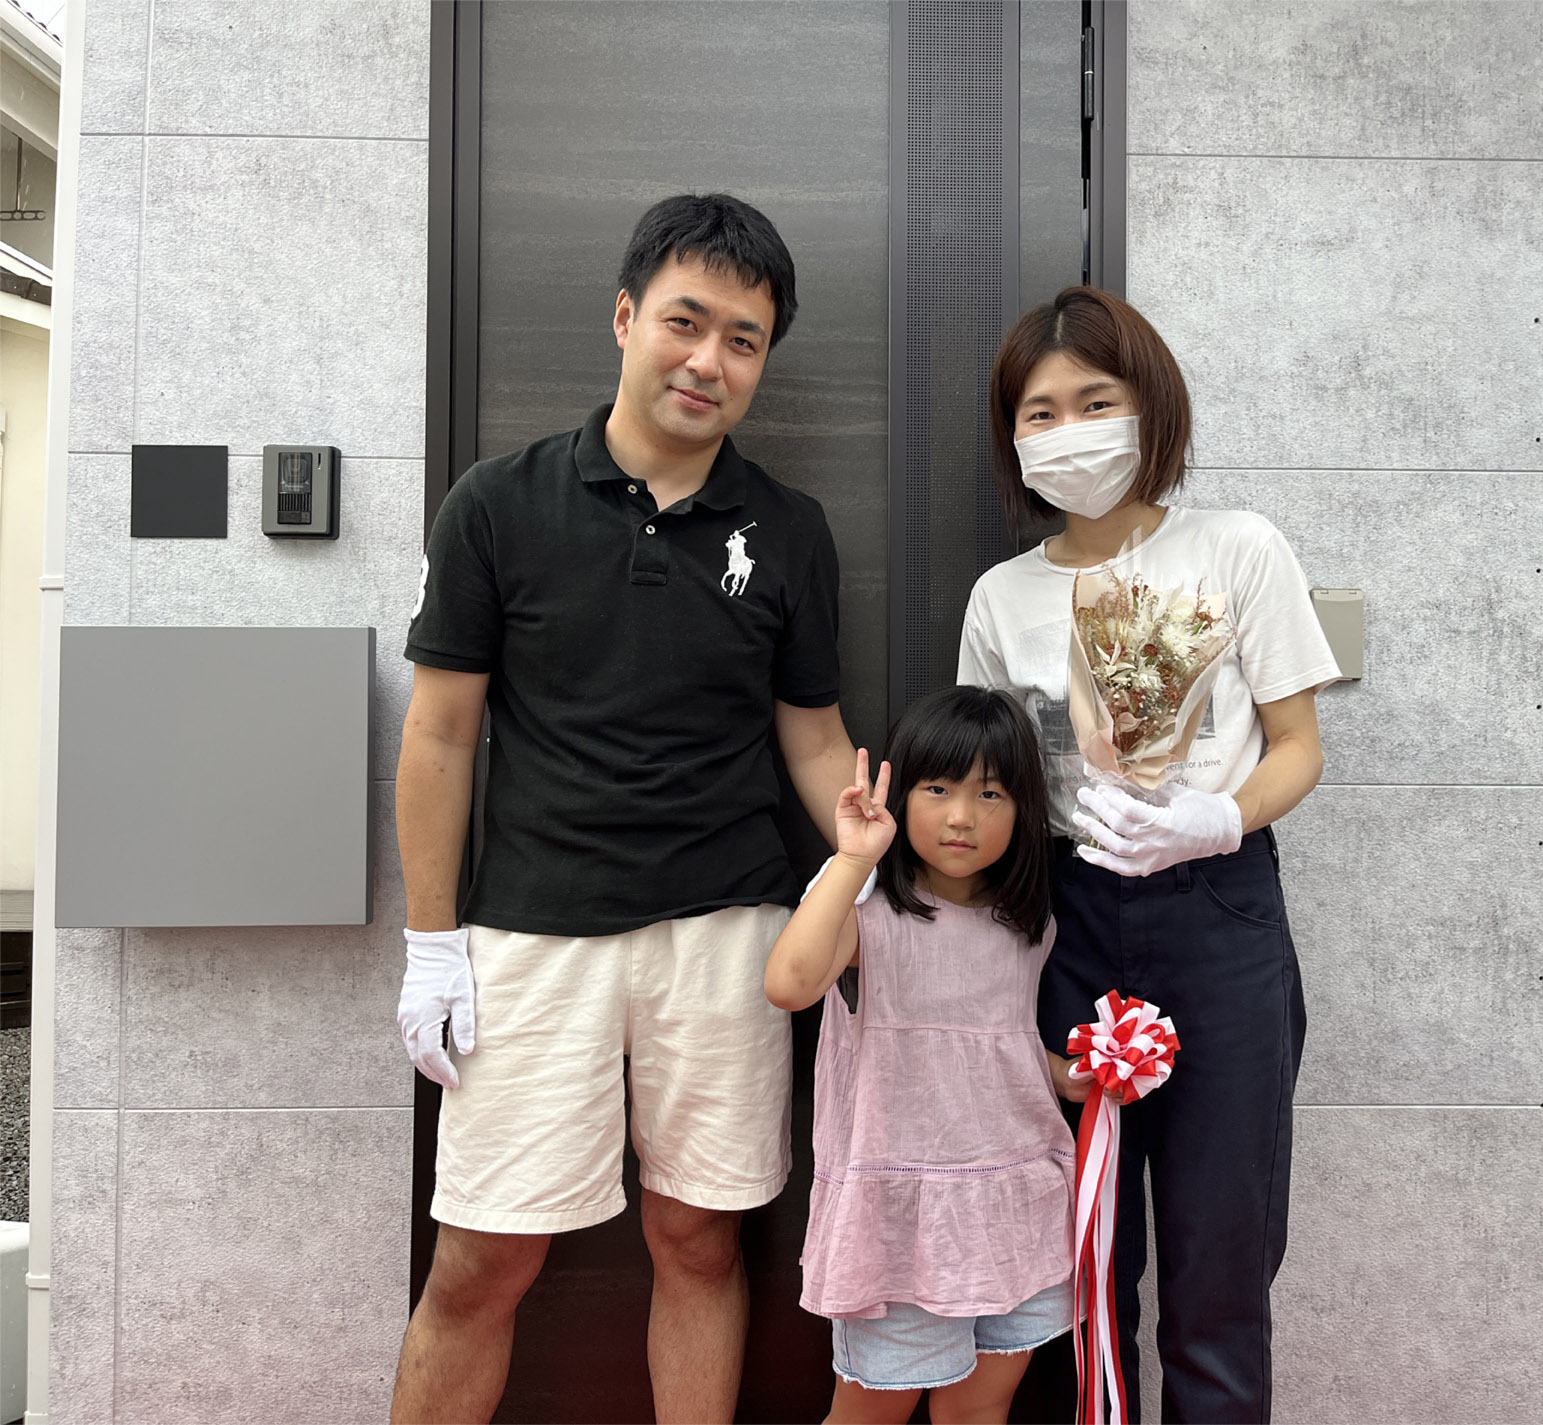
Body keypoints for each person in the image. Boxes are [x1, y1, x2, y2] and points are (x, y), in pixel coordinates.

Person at [390, 193, 859, 1425]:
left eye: (743, 339)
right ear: (624, 318)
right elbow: (439, 734)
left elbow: (813, 737)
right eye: (684, 322)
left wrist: (873, 865)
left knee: (699, 1241)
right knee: (482, 1257)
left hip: (728, 932)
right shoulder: (497, 503)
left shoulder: (789, 531)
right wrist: (430, 941)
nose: (709, 360)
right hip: (532, 931)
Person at [957, 286, 1340, 1423]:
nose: (1068, 430)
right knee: (1081, 1264)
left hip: (1220, 911)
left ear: (1149, 408)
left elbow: (1298, 747)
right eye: (1040, 413)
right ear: (1013, 438)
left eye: (1095, 402)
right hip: (1067, 921)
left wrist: (1217, 818)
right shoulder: (1002, 596)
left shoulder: (1236, 547)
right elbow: (986, 792)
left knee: (1222, 1264)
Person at [763, 686, 1077, 1425]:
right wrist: (852, 858)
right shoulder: (869, 918)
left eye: (990, 793)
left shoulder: (1030, 928)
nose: (962, 815)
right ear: (901, 795)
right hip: (901, 1227)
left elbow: (999, 1047)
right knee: (870, 1414)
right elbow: (788, 984)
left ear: (1023, 809)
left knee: (980, 1410)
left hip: (1014, 1209)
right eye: (938, 789)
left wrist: (1072, 1075)